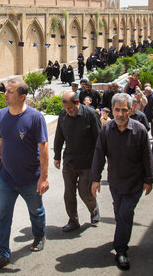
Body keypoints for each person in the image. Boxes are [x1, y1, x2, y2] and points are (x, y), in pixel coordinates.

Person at [0, 79, 49, 272]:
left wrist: (44, 177)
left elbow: (44, 148)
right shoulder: (1, 115)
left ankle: (39, 235)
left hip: (31, 179)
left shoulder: (35, 117)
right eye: (5, 90)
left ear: (22, 96)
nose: (5, 94)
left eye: (10, 92)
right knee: (3, 216)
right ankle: (3, 253)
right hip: (7, 178)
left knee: (36, 212)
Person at [91, 93, 153, 270]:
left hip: (135, 182)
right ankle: (121, 236)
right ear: (112, 110)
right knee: (119, 213)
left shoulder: (140, 129)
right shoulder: (106, 129)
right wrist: (95, 179)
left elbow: (147, 157)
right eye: (117, 110)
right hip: (115, 182)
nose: (120, 114)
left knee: (125, 213)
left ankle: (120, 250)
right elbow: (98, 154)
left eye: (124, 110)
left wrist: (149, 179)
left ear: (131, 110)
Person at [54, 91, 101, 233]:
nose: (68, 111)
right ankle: (73, 220)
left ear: (77, 103)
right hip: (69, 160)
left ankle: (94, 210)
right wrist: (57, 156)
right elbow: (59, 136)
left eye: (71, 108)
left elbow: (100, 139)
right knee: (69, 193)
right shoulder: (63, 115)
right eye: (66, 109)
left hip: (87, 161)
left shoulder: (90, 115)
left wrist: (99, 163)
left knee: (85, 192)